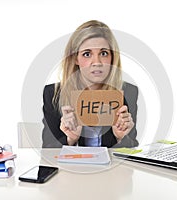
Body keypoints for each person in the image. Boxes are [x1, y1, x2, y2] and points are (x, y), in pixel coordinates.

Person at [42, 20, 139, 148]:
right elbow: (47, 151)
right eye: (87, 54)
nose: (96, 62)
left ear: (112, 57)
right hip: (69, 167)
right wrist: (70, 139)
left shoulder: (128, 92)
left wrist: (121, 138)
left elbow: (132, 151)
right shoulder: (53, 94)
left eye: (103, 53)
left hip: (113, 167)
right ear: (75, 58)